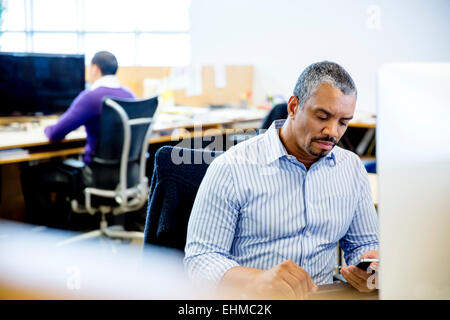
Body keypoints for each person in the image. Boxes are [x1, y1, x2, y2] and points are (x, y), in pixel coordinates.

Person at [184, 61, 379, 299]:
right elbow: (200, 261)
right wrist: (257, 280)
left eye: (343, 122)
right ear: (294, 106)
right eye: (322, 117)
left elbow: (363, 245)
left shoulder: (351, 169)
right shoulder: (231, 168)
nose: (332, 132)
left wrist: (370, 267)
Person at [21, 51, 135, 228]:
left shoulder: (91, 97)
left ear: (95, 69)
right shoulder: (130, 95)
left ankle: (50, 233)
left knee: (30, 174)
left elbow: (55, 134)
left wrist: (44, 127)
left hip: (94, 177)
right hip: (127, 177)